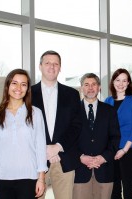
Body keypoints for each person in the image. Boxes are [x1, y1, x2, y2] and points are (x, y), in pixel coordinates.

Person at [0, 69, 47, 199]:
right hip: (1, 178)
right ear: (8, 85)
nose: (18, 88)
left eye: (23, 84)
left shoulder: (36, 113)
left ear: (27, 89)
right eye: (14, 83)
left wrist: (41, 178)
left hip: (29, 178)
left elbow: (40, 148)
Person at [31, 50, 82, 199]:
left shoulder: (72, 94)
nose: (52, 67)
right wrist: (45, 148)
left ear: (60, 67)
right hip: (35, 160)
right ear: (40, 66)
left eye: (56, 64)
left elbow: (76, 125)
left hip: (64, 160)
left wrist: (57, 147)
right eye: (47, 63)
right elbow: (26, 127)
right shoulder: (28, 93)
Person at [73, 73, 120, 199]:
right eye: (86, 85)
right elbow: (68, 140)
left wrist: (104, 157)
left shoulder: (109, 110)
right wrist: (80, 157)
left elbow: (115, 138)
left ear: (99, 87)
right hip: (80, 170)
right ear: (81, 87)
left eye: (94, 84)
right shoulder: (72, 111)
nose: (90, 88)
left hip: (104, 169)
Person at [104, 68, 132, 199]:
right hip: (112, 150)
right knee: (114, 190)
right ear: (113, 82)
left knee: (128, 190)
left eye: (124, 80)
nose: (121, 83)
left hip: (129, 150)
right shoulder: (107, 101)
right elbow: (105, 128)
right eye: (118, 80)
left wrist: (124, 150)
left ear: (128, 83)